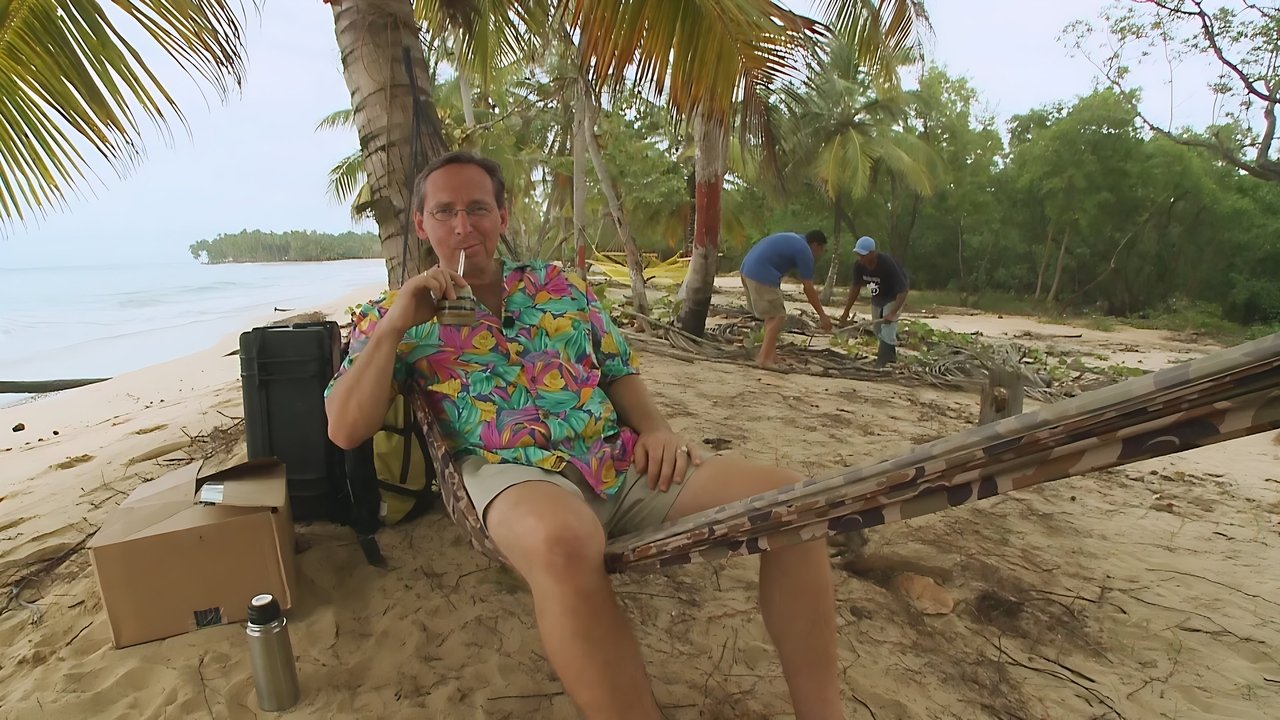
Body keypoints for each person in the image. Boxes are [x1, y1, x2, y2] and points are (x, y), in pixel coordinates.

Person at [325, 151, 844, 720]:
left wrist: (658, 429)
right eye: (444, 211)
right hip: (510, 471)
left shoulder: (557, 285)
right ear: (422, 224)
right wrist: (399, 323)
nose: (462, 226)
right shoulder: (390, 315)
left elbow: (617, 367)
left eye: (477, 208)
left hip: (614, 459)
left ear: (502, 215)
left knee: (795, 501)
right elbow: (346, 429)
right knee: (563, 542)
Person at [738, 230, 834, 369]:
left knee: (771, 316)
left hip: (746, 270)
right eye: (821, 250)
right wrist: (822, 316)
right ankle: (764, 359)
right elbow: (808, 288)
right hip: (760, 274)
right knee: (778, 316)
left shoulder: (797, 240)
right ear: (815, 245)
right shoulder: (805, 251)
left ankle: (770, 355)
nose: (819, 254)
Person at [839, 236, 909, 368]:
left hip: (893, 297)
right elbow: (855, 288)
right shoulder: (859, 266)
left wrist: (893, 312)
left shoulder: (887, 263)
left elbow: (904, 290)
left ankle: (883, 362)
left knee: (888, 327)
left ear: (872, 253)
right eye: (859, 255)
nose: (861, 258)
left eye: (863, 255)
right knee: (878, 330)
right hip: (877, 298)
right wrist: (846, 311)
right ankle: (891, 356)